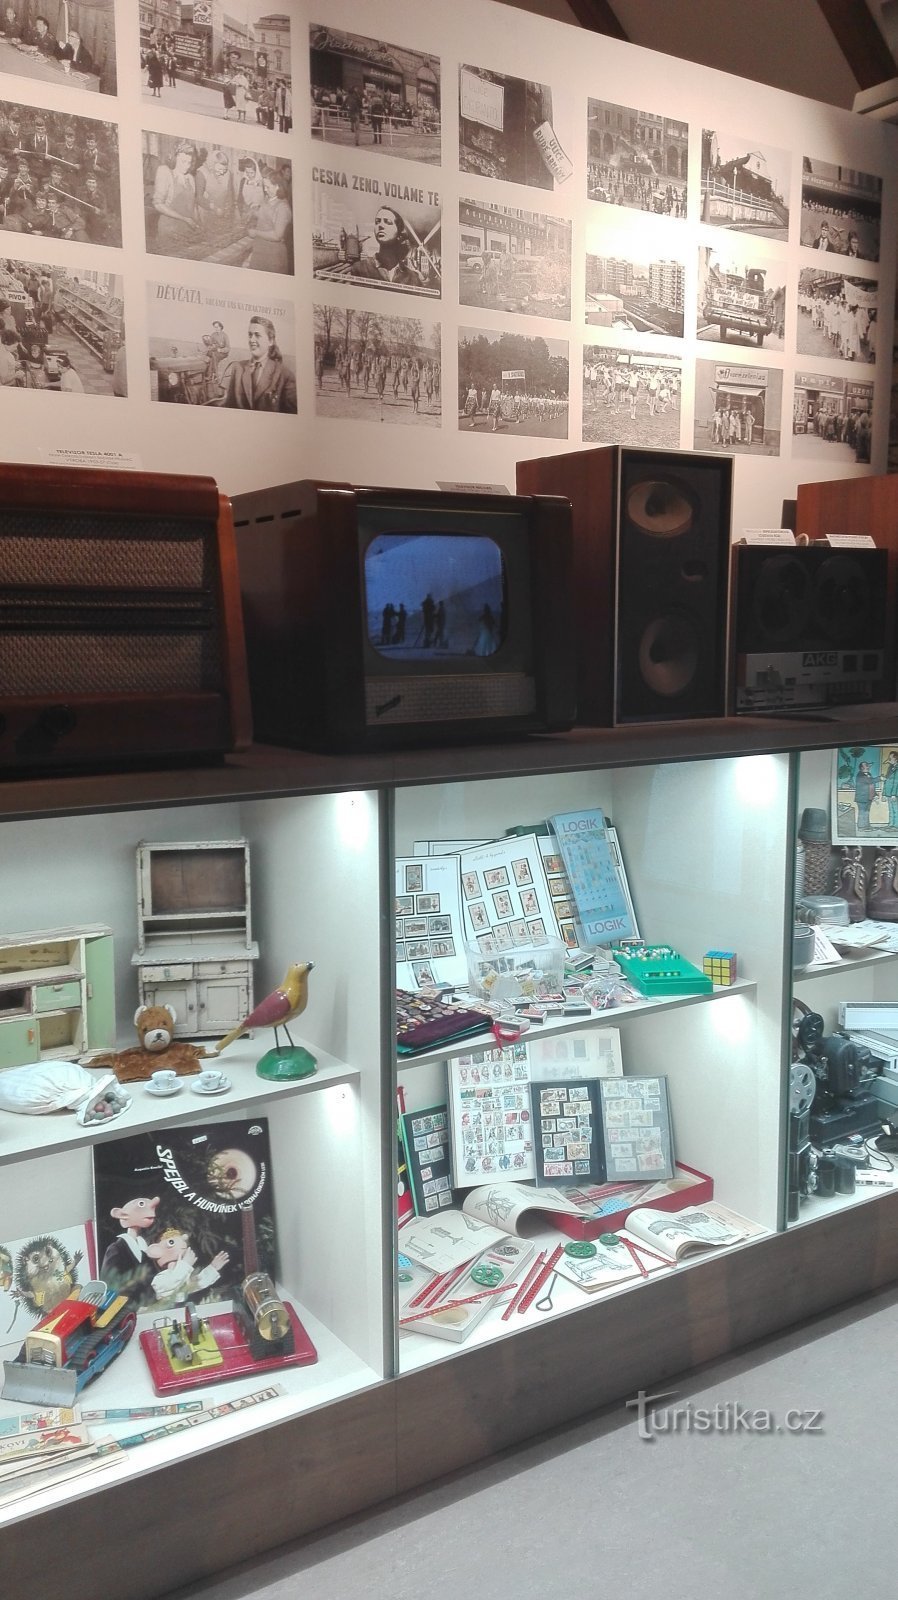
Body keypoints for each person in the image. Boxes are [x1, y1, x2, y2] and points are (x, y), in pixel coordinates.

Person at [214, 314, 297, 412]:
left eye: (257, 335)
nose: (251, 340)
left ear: (270, 341)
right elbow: (229, 406)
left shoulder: (285, 375)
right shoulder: (238, 368)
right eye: (250, 335)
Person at [355, 205, 432, 288]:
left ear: (399, 233)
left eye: (387, 222)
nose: (380, 225)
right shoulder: (359, 268)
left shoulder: (413, 278)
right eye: (377, 222)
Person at [152, 141, 199, 248]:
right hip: (169, 229)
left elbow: (193, 205)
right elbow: (158, 204)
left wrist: (197, 223)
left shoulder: (190, 178)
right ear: (174, 158)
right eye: (183, 161)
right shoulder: (165, 172)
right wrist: (184, 219)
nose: (186, 166)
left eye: (189, 162)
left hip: (187, 230)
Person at [247, 171, 291, 272]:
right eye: (264, 187)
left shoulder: (283, 207)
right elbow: (267, 216)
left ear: (277, 186)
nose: (265, 190)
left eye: (268, 187)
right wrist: (254, 212)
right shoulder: (268, 199)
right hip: (260, 250)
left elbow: (277, 235)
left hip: (273, 255)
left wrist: (255, 233)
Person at [855, 760, 876, 832]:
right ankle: (861, 827)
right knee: (862, 812)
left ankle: (867, 826)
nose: (868, 766)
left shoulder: (869, 774)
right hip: (862, 798)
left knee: (867, 812)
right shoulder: (860, 775)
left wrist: (875, 794)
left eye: (868, 765)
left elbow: (872, 785)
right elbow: (870, 781)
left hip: (869, 798)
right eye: (866, 765)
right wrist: (880, 778)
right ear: (861, 768)